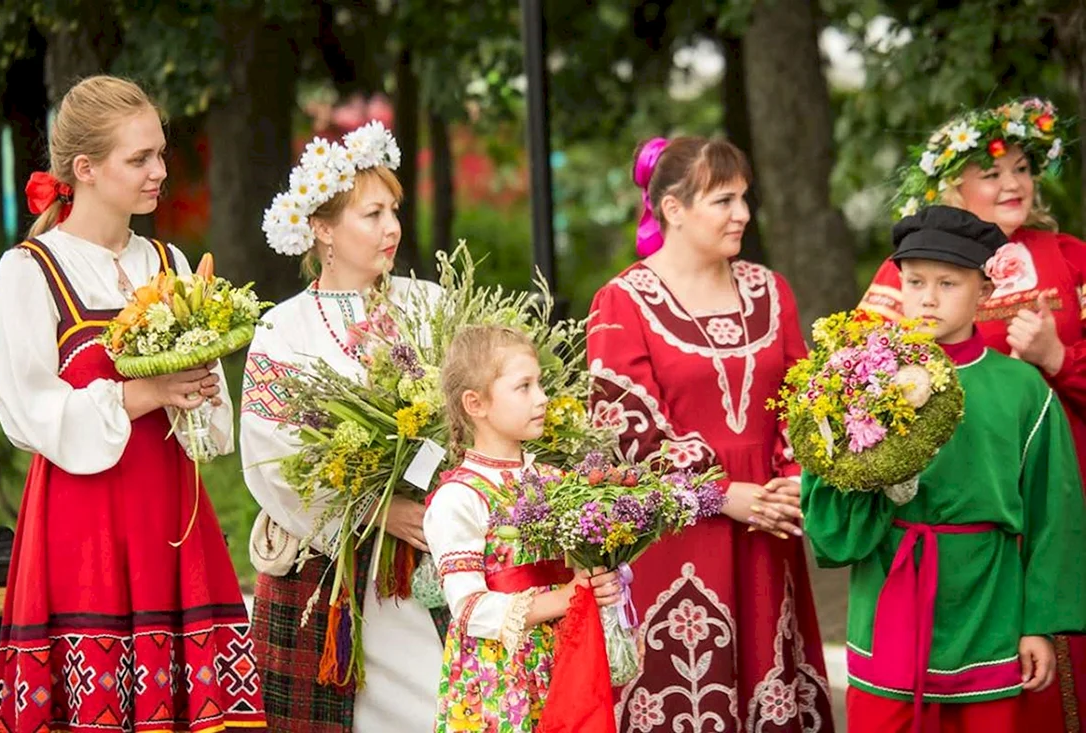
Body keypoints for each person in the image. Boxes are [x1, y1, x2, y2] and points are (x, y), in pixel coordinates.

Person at [0, 75, 265, 731]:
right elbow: (27, 412)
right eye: (139, 158)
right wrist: (142, 392)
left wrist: (198, 385)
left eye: (161, 154)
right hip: (82, 523)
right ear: (84, 169)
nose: (160, 172)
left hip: (171, 511)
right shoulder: (31, 270)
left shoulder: (167, 260)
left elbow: (207, 419)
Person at [586, 135, 835, 731]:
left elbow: (803, 400)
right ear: (673, 208)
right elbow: (626, 433)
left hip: (769, 533)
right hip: (676, 539)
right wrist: (725, 494)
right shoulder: (622, 301)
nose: (743, 214)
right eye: (724, 200)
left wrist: (795, 482)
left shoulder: (771, 290)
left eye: (744, 198)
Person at [805, 205, 1086, 732]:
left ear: (984, 292)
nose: (928, 298)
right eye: (915, 281)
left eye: (948, 283)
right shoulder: (862, 380)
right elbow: (826, 496)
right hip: (890, 594)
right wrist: (873, 482)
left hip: (989, 608)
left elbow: (1057, 514)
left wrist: (1039, 626)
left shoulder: (1021, 388)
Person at [858, 98, 1086, 730]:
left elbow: (1053, 504)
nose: (1012, 183)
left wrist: (1060, 357)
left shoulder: (1069, 258)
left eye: (1022, 167)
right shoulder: (899, 289)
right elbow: (851, 404)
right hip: (916, 532)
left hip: (1029, 501)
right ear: (953, 183)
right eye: (992, 172)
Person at [240, 121, 445, 732]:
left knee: (440, 709)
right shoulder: (284, 329)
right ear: (323, 230)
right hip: (328, 572)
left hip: (433, 556)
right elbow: (271, 457)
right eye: (371, 213)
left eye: (393, 211)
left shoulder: (429, 304)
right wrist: (375, 513)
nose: (391, 228)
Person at [423, 324, 622, 732]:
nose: (543, 398)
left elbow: (575, 571)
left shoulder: (555, 481)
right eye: (524, 387)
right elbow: (469, 609)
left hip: (566, 660)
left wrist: (598, 585)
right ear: (475, 404)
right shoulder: (459, 498)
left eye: (540, 384)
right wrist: (565, 599)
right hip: (500, 679)